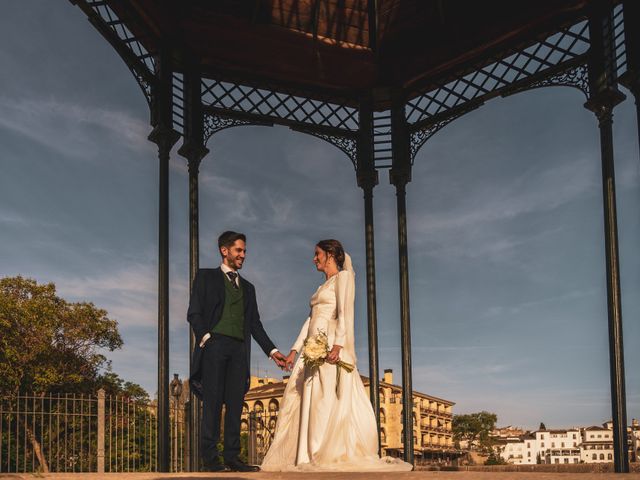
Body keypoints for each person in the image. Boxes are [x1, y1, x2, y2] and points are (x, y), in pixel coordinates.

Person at [261, 239, 413, 472]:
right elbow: (311, 320)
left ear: (330, 254)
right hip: (312, 348)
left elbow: (345, 313)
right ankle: (308, 454)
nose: (314, 258)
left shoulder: (344, 278)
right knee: (309, 401)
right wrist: (294, 350)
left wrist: (338, 345)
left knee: (325, 401)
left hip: (330, 345)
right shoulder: (321, 287)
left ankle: (323, 451)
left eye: (317, 254)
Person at [187, 231, 287, 472]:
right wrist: (206, 337)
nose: (243, 255)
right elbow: (194, 313)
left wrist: (272, 351)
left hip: (239, 349)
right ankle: (211, 459)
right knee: (211, 403)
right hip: (214, 345)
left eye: (244, 251)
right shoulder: (206, 277)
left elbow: (255, 324)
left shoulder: (248, 288)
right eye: (239, 250)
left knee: (235, 402)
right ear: (225, 250)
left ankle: (233, 457)